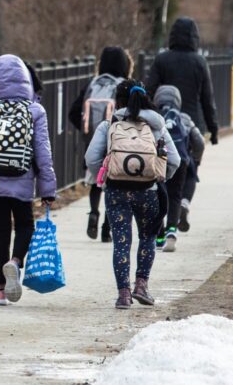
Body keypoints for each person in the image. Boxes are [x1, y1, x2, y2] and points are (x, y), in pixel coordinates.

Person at [84, 81, 181, 309]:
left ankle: (124, 294)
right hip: (148, 192)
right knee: (147, 238)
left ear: (118, 101)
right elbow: (175, 160)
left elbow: (90, 158)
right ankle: (141, 285)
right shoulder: (157, 126)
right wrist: (159, 175)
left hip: (117, 191)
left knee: (121, 242)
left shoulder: (110, 124)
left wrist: (107, 175)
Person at [0, 54, 57, 305]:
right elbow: (43, 151)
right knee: (25, 225)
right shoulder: (34, 110)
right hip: (22, 181)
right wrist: (47, 189)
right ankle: (15, 262)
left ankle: (0, 289)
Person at [69, 47, 132, 243]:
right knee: (114, 185)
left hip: (93, 141)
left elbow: (73, 112)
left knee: (96, 179)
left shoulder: (92, 84)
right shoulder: (124, 86)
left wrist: (86, 130)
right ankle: (107, 227)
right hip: (117, 142)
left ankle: (94, 212)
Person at [144, 17, 219, 144]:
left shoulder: (161, 60)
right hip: (193, 124)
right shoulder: (200, 62)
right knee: (191, 160)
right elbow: (207, 99)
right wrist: (213, 128)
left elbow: (149, 92)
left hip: (166, 122)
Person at [152, 86, 204, 253]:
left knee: (158, 197)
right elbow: (199, 142)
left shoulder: (154, 119)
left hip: (159, 161)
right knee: (175, 196)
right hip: (180, 161)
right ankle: (171, 231)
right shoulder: (184, 119)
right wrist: (195, 160)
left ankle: (158, 237)